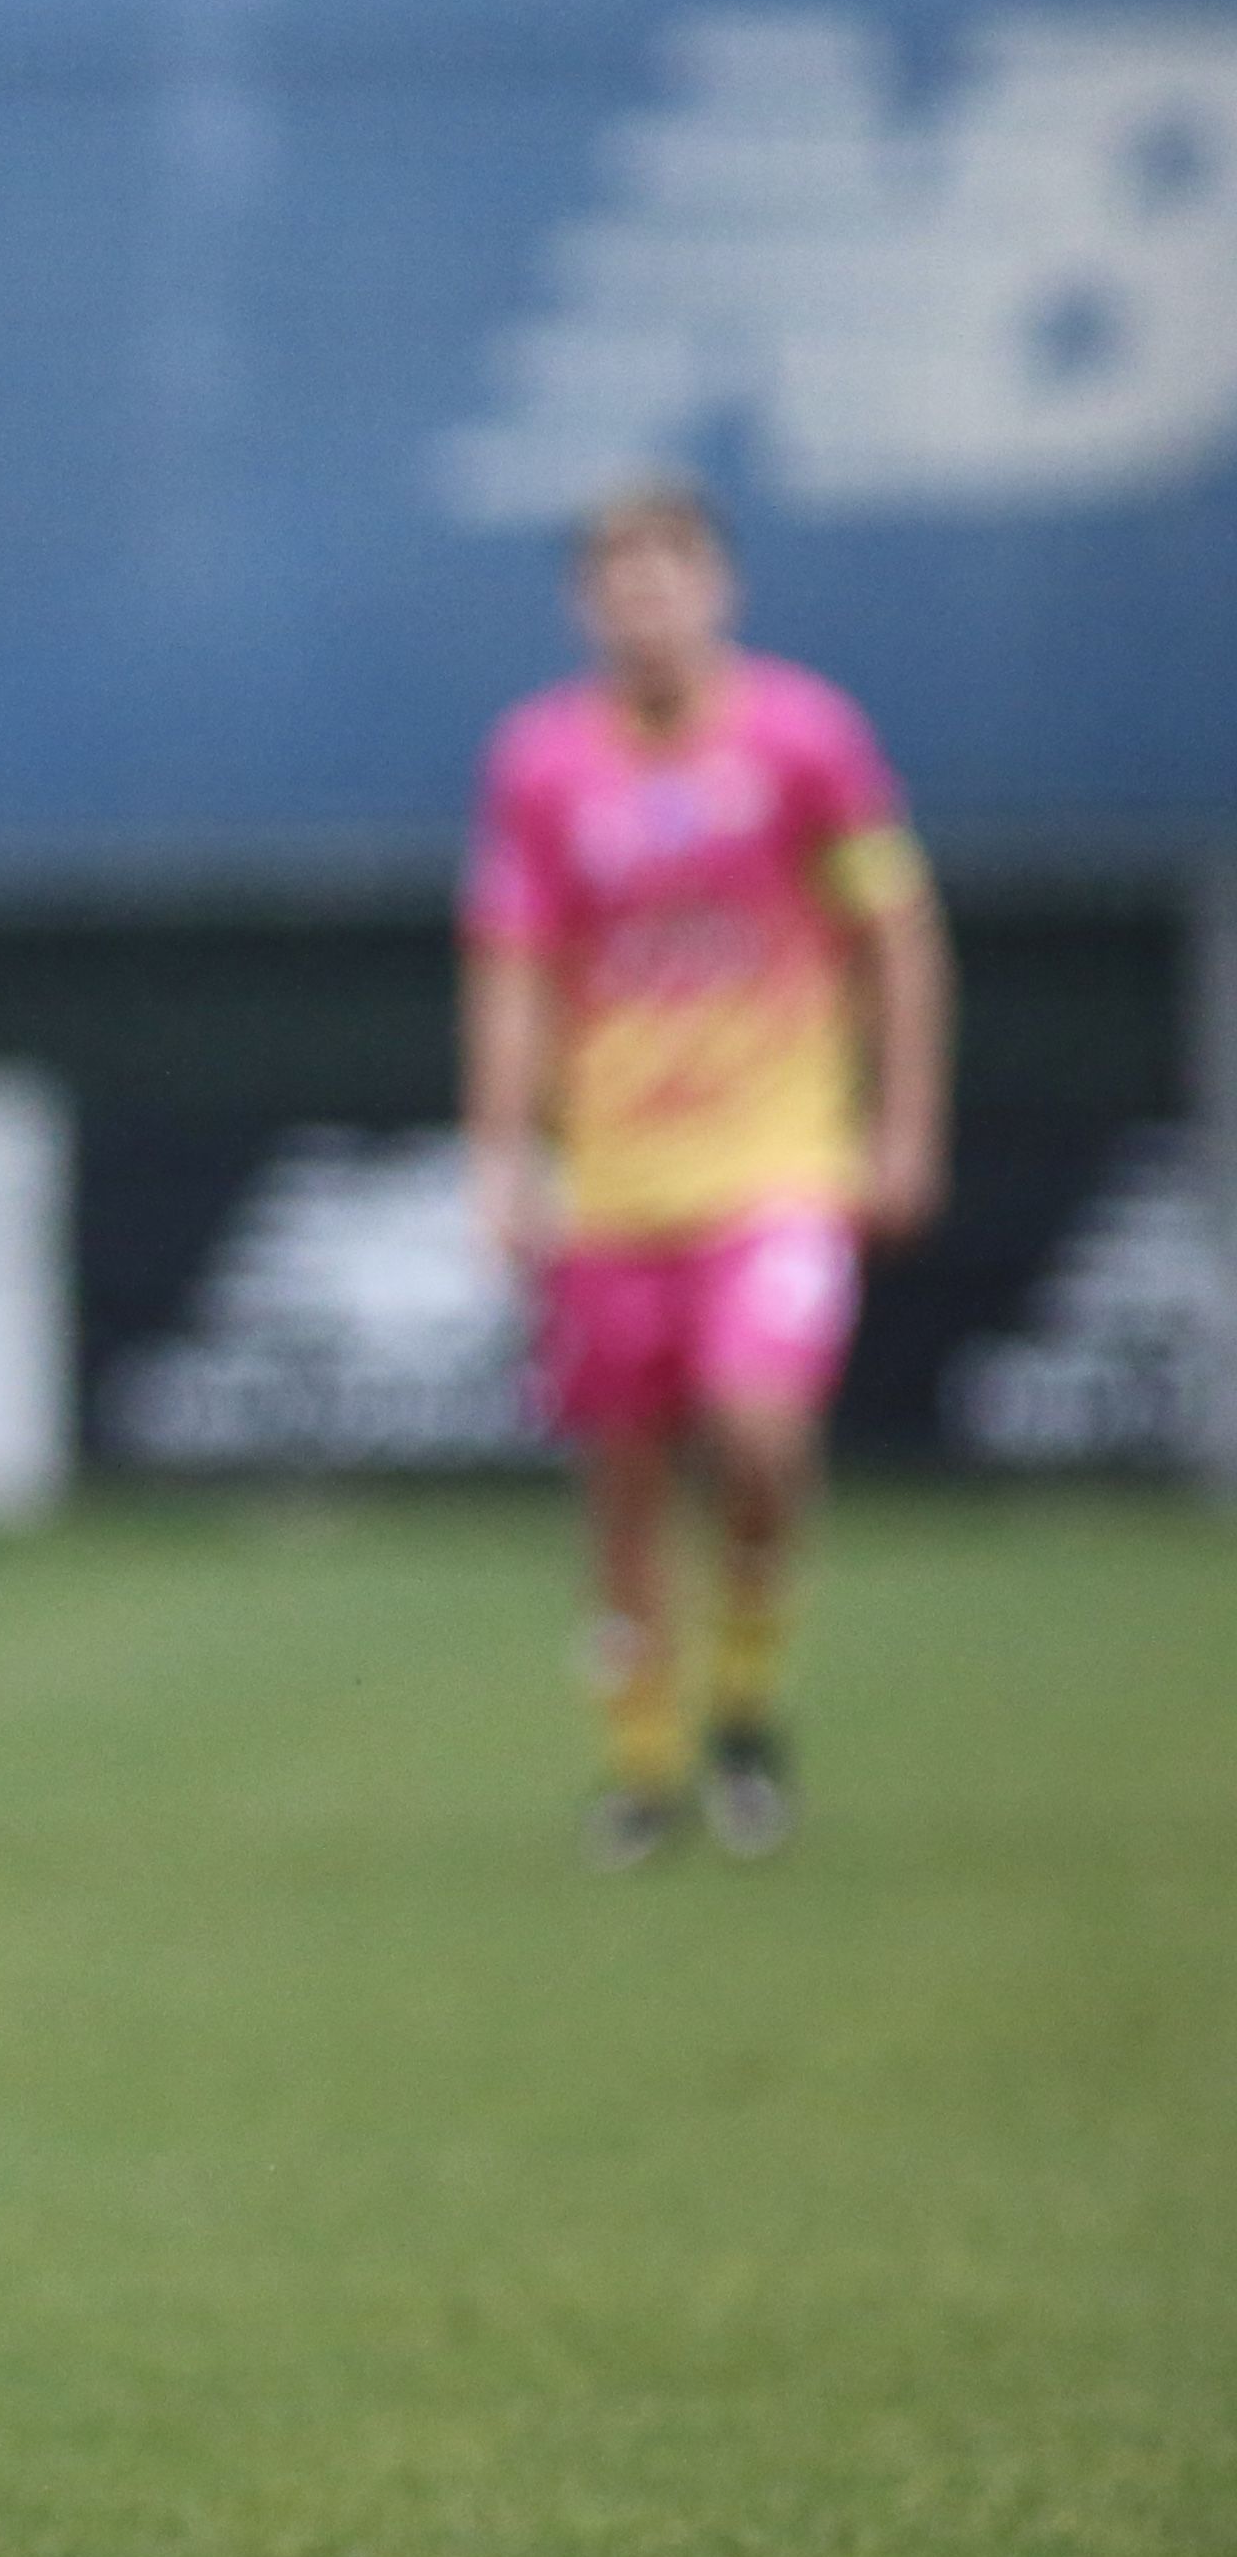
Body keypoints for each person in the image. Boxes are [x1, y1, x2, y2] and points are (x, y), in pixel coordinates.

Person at [462, 481, 949, 1868]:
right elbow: (513, 976)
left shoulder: (805, 739)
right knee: (620, 1482)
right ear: (586, 604)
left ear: (719, 590)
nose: (646, 600)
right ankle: (640, 1763)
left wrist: (902, 1126)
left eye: (671, 572)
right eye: (620, 578)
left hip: (776, 1164)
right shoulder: (543, 763)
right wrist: (502, 1160)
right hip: (615, 1183)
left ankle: (746, 1699)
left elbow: (900, 935)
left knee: (759, 1431)